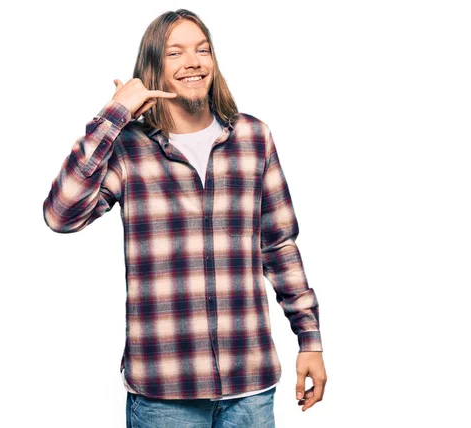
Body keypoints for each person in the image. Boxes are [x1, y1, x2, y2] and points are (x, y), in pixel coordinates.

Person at [43, 8, 327, 427]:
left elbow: (279, 245)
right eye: (175, 53)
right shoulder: (127, 149)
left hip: (250, 387)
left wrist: (310, 339)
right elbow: (61, 215)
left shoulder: (254, 138)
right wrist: (114, 115)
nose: (193, 61)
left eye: (202, 49)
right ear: (153, 68)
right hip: (163, 392)